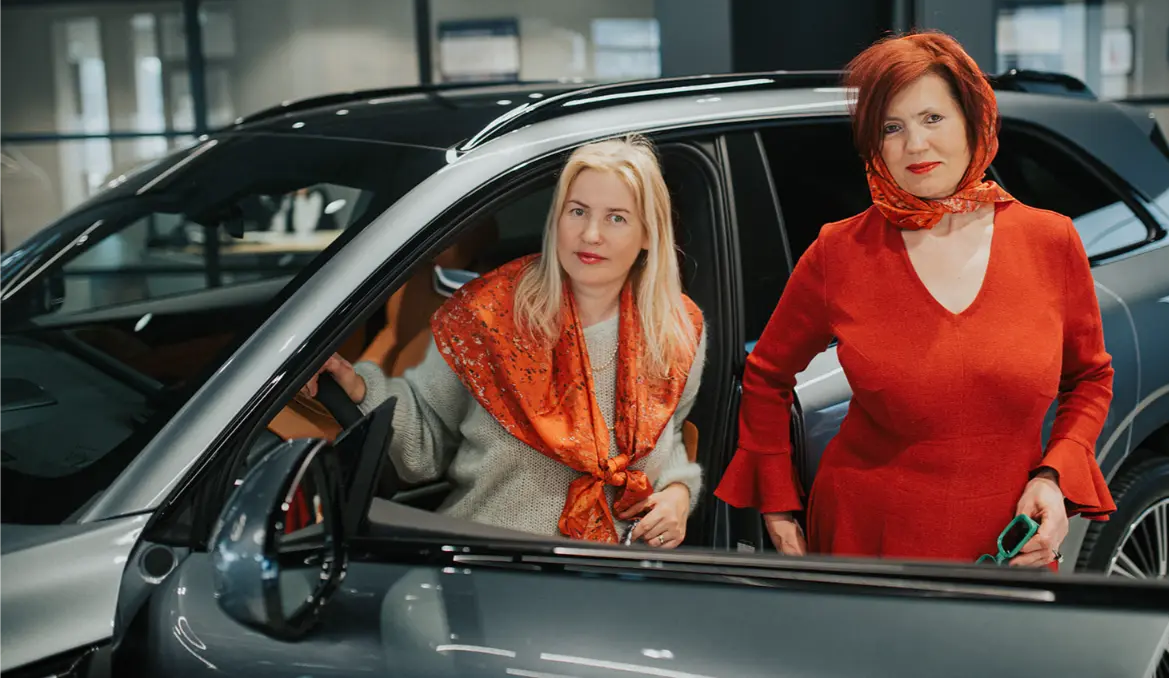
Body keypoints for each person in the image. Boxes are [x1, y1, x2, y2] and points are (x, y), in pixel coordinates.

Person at [714, 30, 1117, 568]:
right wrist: (779, 503)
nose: (916, 145)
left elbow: (1089, 379)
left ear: (974, 120)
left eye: (932, 118)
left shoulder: (1050, 240)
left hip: (1008, 539)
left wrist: (1054, 476)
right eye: (892, 127)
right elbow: (765, 377)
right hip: (865, 537)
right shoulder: (841, 251)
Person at [303, 135, 707, 548]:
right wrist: (357, 387)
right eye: (577, 211)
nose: (590, 234)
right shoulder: (488, 315)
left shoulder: (678, 329)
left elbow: (670, 434)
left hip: (611, 571)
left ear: (649, 233)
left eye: (616, 218)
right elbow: (426, 437)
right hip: (488, 561)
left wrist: (678, 492)